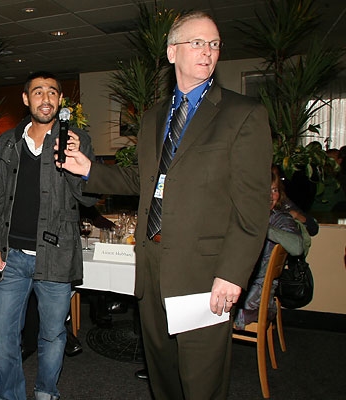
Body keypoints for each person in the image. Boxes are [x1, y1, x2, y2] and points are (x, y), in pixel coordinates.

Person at [58, 11, 272, 399]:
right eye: (197, 42)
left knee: (201, 384)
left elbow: (253, 208)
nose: (208, 51)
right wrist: (88, 169)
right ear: (173, 51)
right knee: (164, 378)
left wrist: (232, 273)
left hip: (205, 274)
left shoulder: (242, 114)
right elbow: (145, 181)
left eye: (214, 44)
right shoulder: (155, 117)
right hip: (153, 266)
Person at [0, 71, 98, 400]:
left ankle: (46, 391)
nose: (45, 99)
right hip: (11, 257)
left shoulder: (77, 139)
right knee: (1, 339)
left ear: (60, 100)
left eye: (51, 92)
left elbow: (89, 198)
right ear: (26, 99)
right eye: (37, 92)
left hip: (56, 256)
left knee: (52, 335)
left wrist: (76, 162)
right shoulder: (8, 142)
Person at [235, 168, 305, 329]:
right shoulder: (239, 217)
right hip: (239, 287)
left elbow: (297, 248)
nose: (271, 196)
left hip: (255, 298)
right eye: (266, 190)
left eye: (274, 190)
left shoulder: (279, 219)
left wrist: (261, 227)